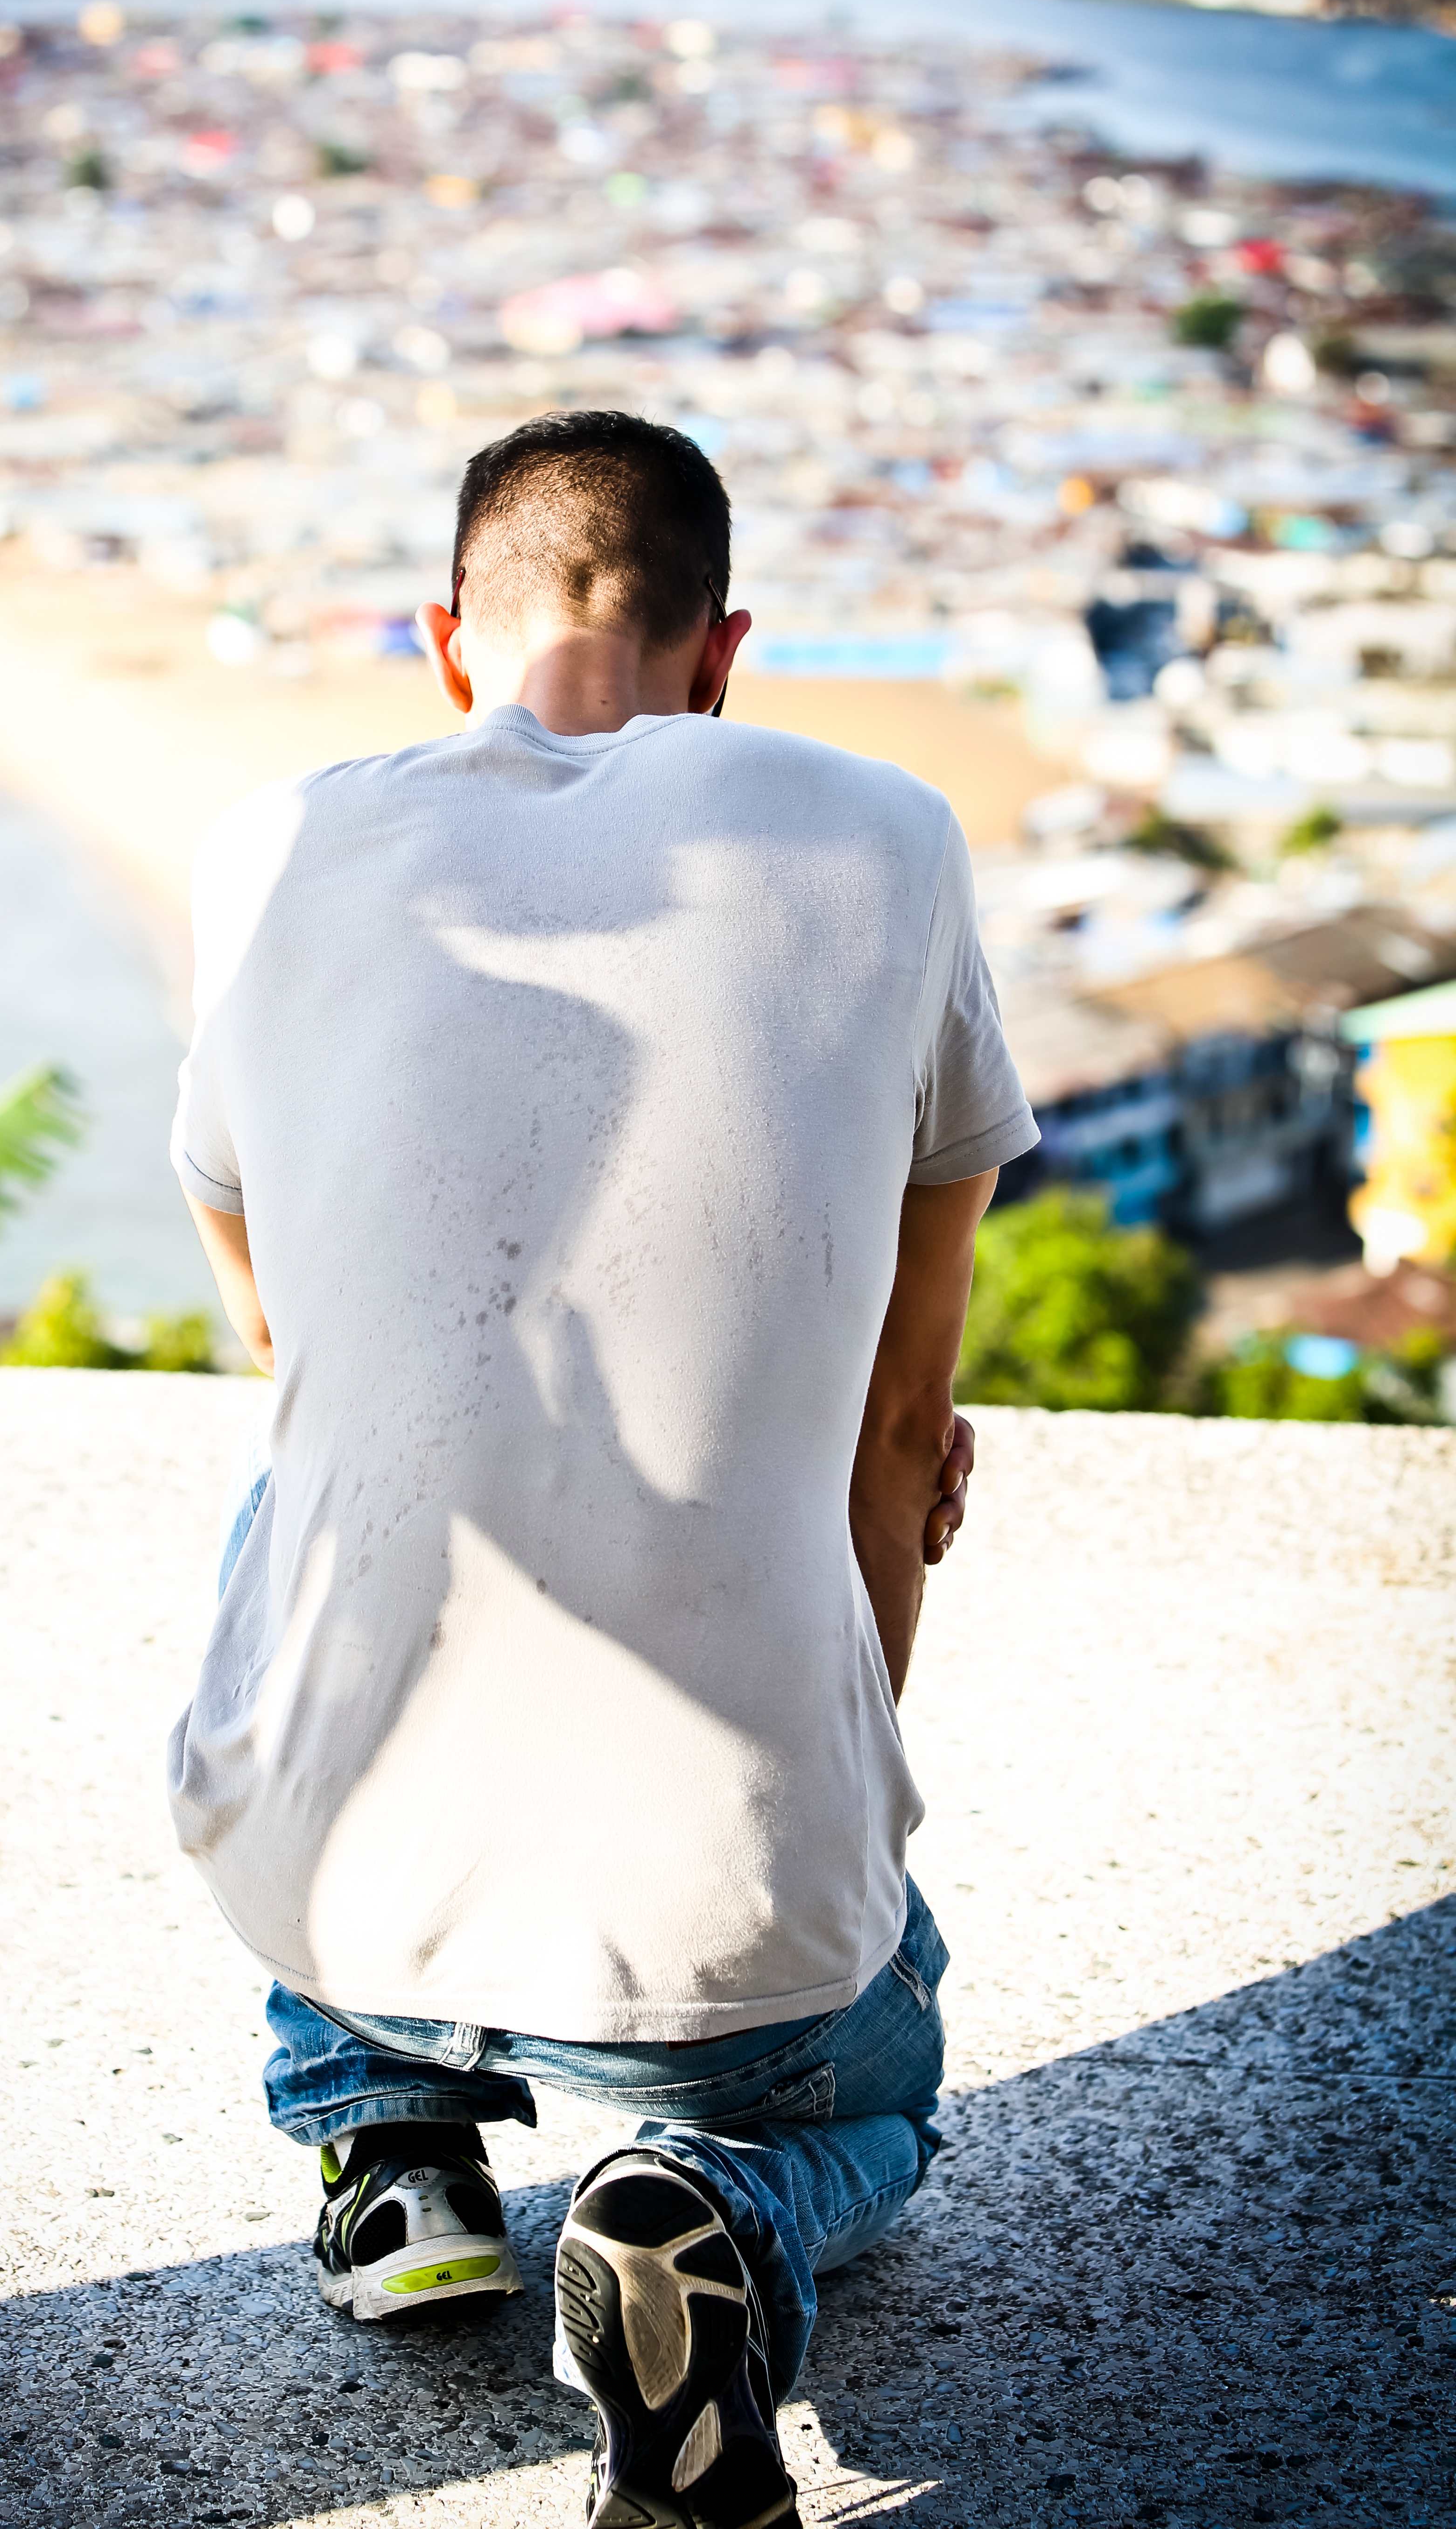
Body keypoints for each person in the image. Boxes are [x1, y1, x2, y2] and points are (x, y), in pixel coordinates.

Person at [167, 410, 1037, 2529]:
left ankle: (388, 2143)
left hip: (326, 1872)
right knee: (878, 2097)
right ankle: (708, 2198)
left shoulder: (275, 846)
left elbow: (300, 1349)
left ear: (442, 651)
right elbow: (896, 1446)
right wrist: (798, 1814)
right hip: (714, 1940)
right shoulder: (890, 837)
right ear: (726, 651)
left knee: (308, 1496)